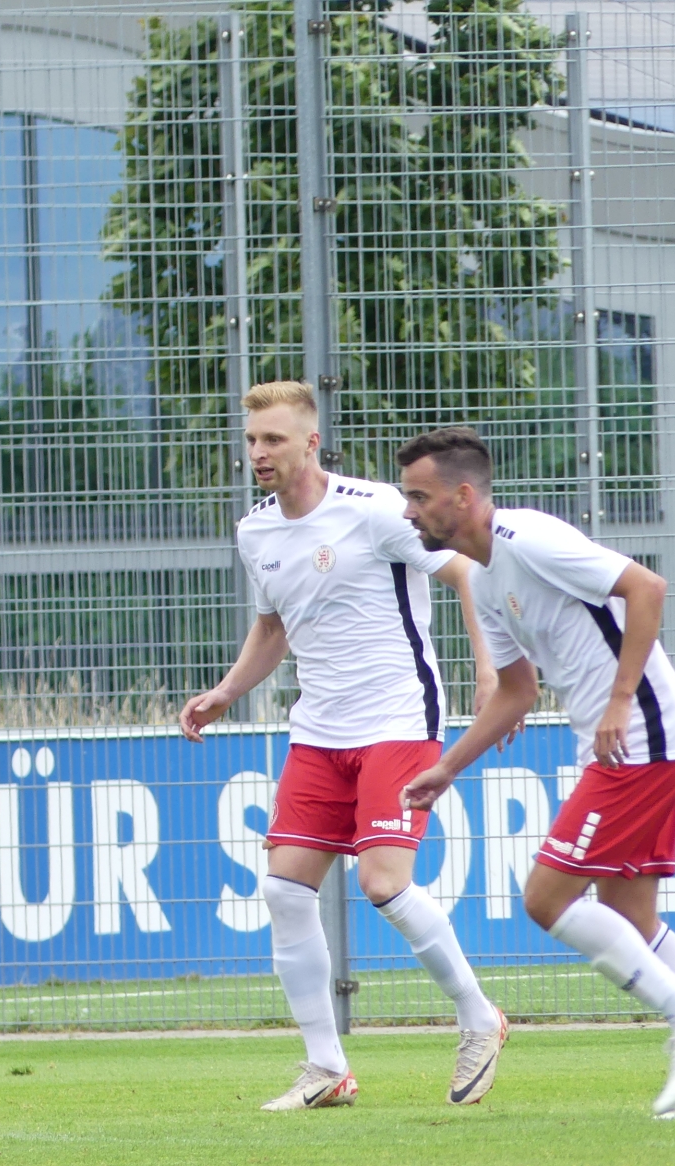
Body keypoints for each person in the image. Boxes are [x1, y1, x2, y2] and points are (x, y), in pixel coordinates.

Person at [396, 426, 675, 1119]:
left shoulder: (529, 538)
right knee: (632, 916)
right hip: (621, 744)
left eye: (419, 497)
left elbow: (646, 587)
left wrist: (620, 701)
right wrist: (446, 768)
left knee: (546, 899)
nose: (409, 511)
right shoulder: (482, 578)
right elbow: (516, 691)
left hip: (641, 736)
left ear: (463, 495)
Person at [181, 382, 509, 1113]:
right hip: (319, 729)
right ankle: (326, 1067)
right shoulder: (255, 531)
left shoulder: (375, 509)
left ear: (310, 443)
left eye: (273, 439)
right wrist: (226, 692)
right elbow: (274, 627)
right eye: (252, 439)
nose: (259, 452)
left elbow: (465, 567)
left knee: (382, 883)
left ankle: (478, 1017)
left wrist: (491, 669)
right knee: (283, 888)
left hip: (396, 718)